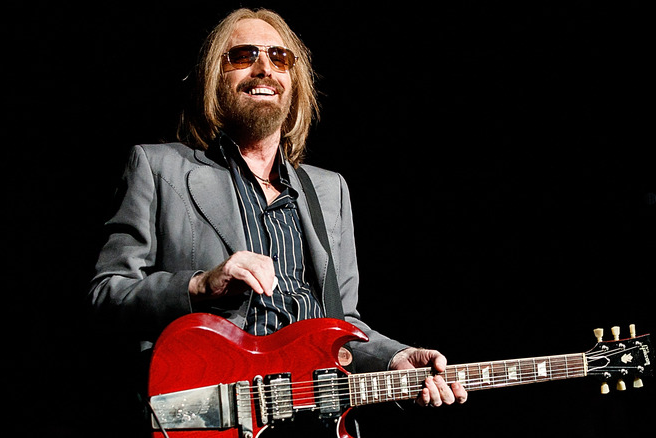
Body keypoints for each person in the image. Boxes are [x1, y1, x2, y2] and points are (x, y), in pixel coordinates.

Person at [88, 7, 467, 434]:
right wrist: (198, 285)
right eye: (243, 55)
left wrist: (395, 358)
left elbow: (344, 323)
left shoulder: (329, 191)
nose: (264, 68)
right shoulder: (159, 169)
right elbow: (106, 295)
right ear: (215, 78)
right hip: (214, 419)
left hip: (318, 422)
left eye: (279, 58)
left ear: (294, 83)